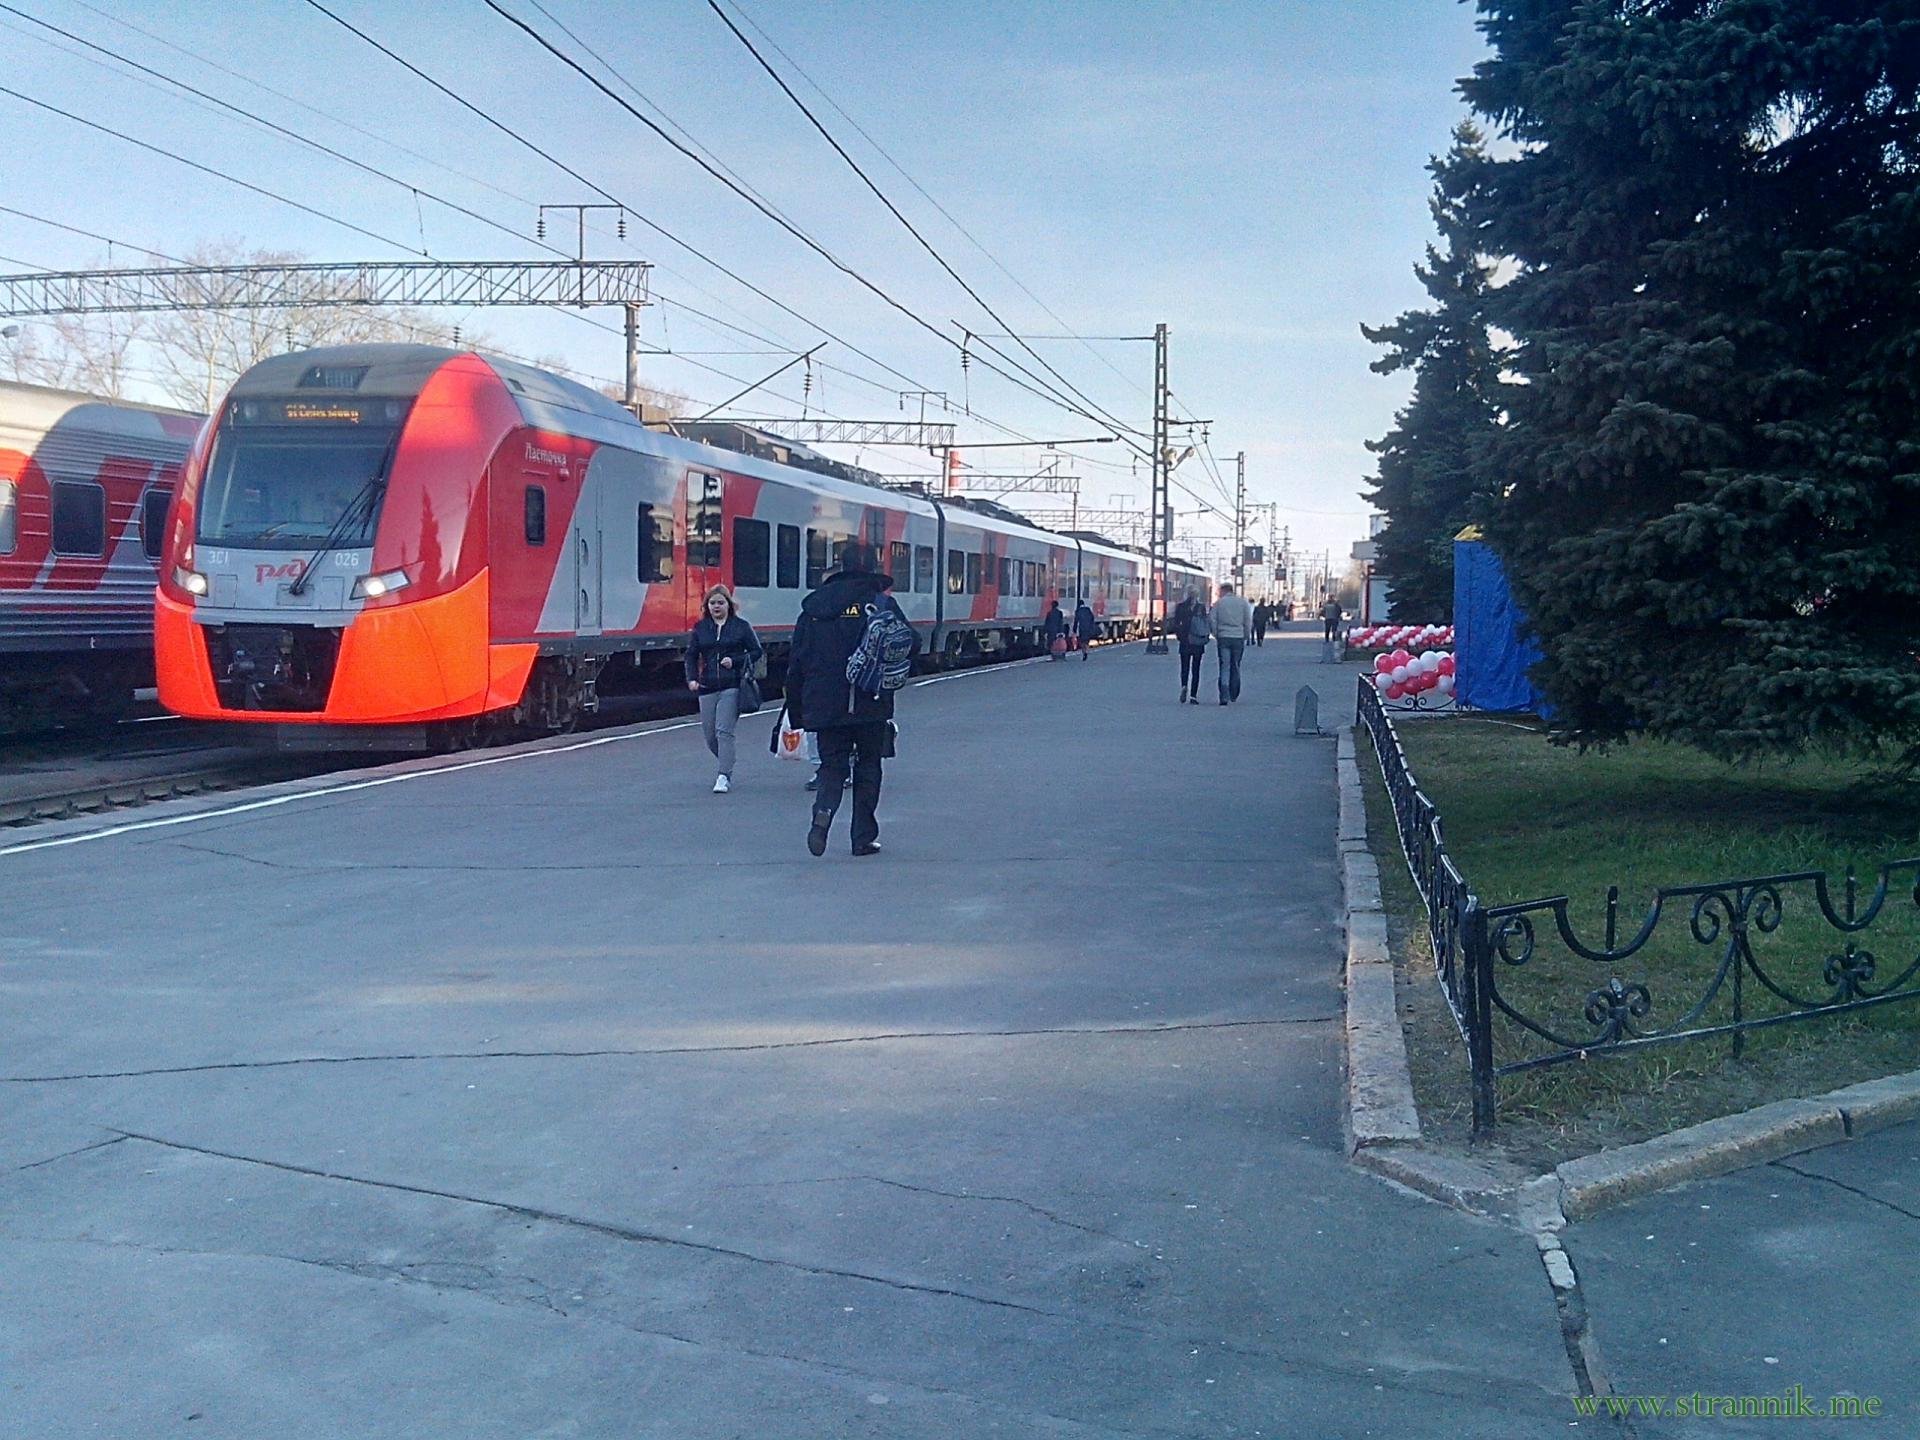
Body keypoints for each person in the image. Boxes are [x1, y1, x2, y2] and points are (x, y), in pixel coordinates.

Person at [786, 541, 914, 857]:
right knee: (869, 767)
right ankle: (863, 838)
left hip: (824, 703)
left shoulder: (814, 608)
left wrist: (799, 712)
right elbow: (910, 643)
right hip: (870, 700)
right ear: (873, 566)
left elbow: (796, 663)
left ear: (840, 565)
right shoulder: (881, 604)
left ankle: (823, 814)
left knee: (832, 767)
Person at [685, 584, 763, 793]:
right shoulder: (701, 628)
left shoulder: (741, 627)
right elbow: (691, 655)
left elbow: (756, 651)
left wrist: (735, 660)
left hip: (732, 685)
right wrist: (692, 678)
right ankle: (728, 760)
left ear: (729, 604)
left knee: (723, 731)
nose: (716, 606)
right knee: (710, 736)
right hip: (707, 685)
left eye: (720, 602)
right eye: (712, 603)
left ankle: (723, 775)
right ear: (706, 606)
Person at [1211, 582, 1253, 705]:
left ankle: (1224, 694)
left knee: (1225, 666)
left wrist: (1216, 633)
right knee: (1235, 665)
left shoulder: (1219, 603)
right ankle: (1234, 692)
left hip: (1223, 637)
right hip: (1238, 637)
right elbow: (1248, 621)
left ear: (1224, 591)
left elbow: (1212, 619)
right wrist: (1246, 635)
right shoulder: (1243, 603)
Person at [1172, 588, 1210, 703]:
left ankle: (1184, 685)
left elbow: (1176, 623)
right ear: (1197, 595)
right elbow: (1204, 623)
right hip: (1198, 642)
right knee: (1196, 669)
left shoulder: (1180, 607)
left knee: (1184, 667)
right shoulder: (1201, 607)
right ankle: (1193, 696)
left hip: (1185, 641)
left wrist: (1180, 636)